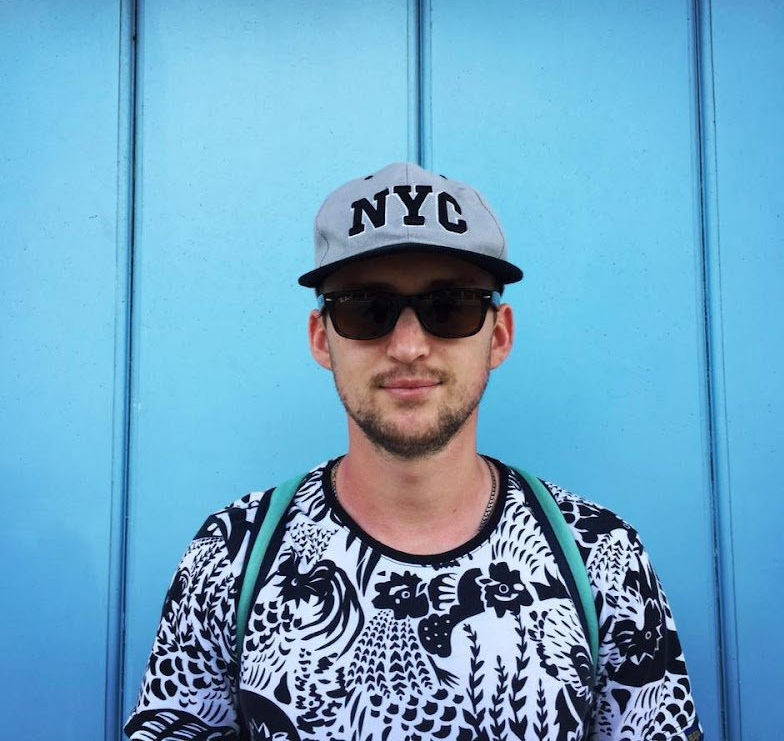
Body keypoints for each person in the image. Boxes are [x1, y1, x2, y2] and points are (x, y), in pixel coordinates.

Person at [125, 162, 703, 741]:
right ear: (322, 338)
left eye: (451, 306)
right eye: (364, 308)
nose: (408, 347)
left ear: (498, 336)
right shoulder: (231, 554)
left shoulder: (601, 556)